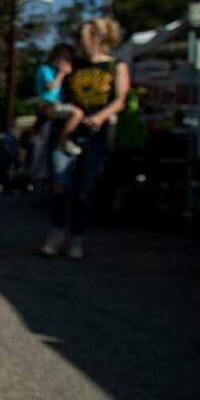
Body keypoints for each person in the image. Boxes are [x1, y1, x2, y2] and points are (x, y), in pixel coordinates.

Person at [42, 18, 130, 260]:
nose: (80, 44)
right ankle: (57, 231)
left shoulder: (115, 66)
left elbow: (120, 99)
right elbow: (52, 90)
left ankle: (76, 237)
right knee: (61, 185)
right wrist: (60, 74)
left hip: (93, 135)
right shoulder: (74, 65)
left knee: (83, 188)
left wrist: (101, 117)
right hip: (66, 131)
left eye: (84, 39)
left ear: (98, 39)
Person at [35, 43, 85, 158]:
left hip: (57, 104)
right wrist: (62, 73)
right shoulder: (45, 69)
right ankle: (63, 140)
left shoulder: (54, 71)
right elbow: (50, 87)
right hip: (47, 104)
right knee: (77, 113)